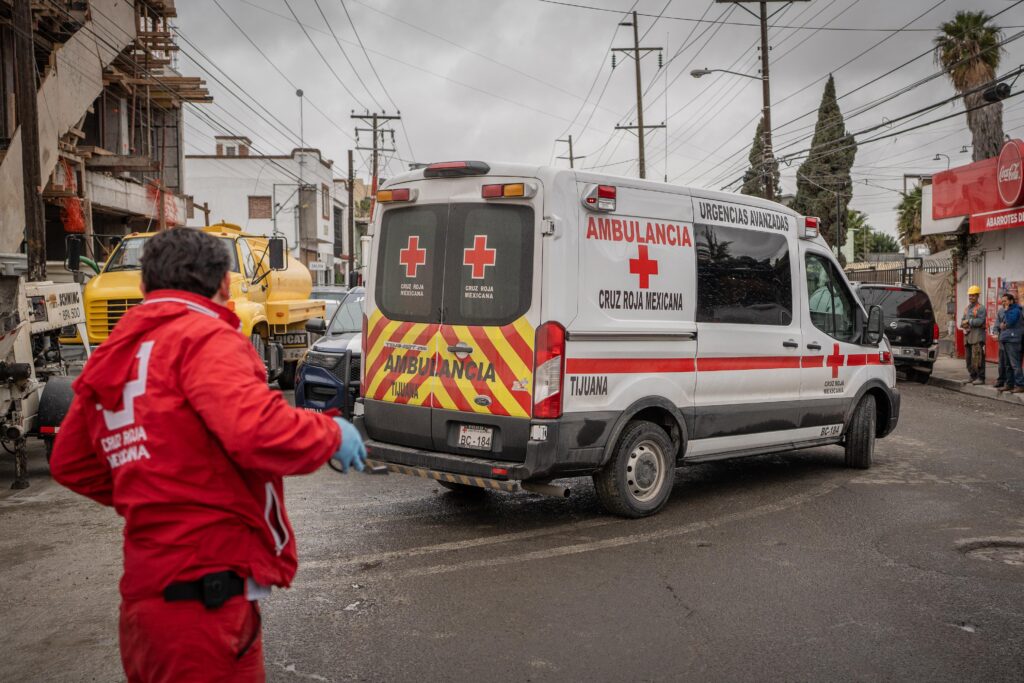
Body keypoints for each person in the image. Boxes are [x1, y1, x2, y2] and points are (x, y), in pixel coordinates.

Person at [49, 227, 367, 682]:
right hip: (205, 606)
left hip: (146, 609)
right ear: (223, 284)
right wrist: (329, 433)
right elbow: (256, 430)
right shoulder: (204, 336)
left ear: (145, 286)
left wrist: (151, 487)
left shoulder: (113, 351)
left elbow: (71, 462)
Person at [995, 291, 1024, 394]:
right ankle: (1009, 384)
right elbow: (1002, 325)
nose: (1003, 303)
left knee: (1015, 364)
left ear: (1011, 301)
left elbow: (1010, 322)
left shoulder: (1015, 310)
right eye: (1002, 301)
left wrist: (1006, 311)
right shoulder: (1007, 311)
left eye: (1005, 301)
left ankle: (1020, 385)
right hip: (1006, 339)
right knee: (1007, 364)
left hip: (1013, 340)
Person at [960, 285, 986, 385]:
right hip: (968, 337)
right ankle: (972, 376)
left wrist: (969, 321)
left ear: (977, 296)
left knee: (978, 358)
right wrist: (963, 323)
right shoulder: (967, 308)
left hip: (977, 337)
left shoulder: (981, 308)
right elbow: (962, 320)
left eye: (973, 296)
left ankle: (981, 377)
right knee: (969, 359)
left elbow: (980, 321)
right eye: (970, 296)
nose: (971, 297)